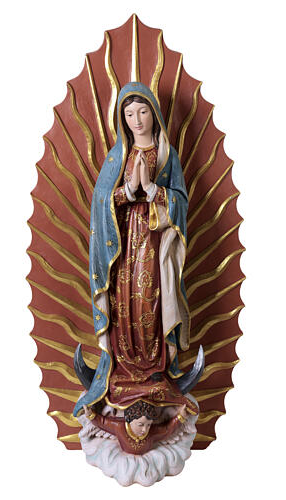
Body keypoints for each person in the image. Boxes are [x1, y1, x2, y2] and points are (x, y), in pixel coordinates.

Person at [73, 82, 197, 418]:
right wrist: (128, 190)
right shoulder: (119, 157)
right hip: (122, 244)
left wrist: (153, 189)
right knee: (124, 304)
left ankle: (154, 371)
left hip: (154, 244)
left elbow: (181, 202)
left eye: (143, 111)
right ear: (122, 119)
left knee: (150, 303)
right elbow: (101, 202)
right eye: (129, 114)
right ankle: (124, 370)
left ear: (154, 114)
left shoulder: (167, 155)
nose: (137, 120)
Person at [83, 402, 188, 455]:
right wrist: (90, 415)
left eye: (148, 425)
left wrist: (180, 417)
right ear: (129, 420)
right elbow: (103, 422)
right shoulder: (119, 427)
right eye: (140, 425)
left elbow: (166, 429)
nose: (145, 430)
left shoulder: (152, 432)